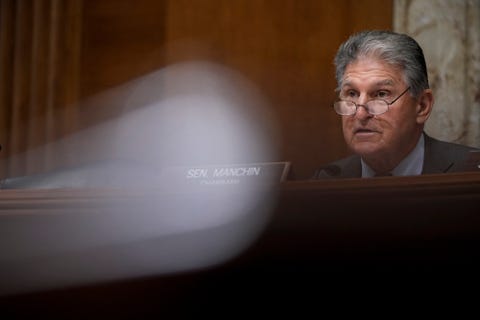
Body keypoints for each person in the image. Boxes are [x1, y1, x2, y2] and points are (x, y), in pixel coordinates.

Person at [314, 30, 479, 179]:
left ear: (422, 106)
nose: (360, 114)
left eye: (381, 94)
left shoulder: (469, 174)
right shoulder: (325, 181)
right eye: (352, 94)